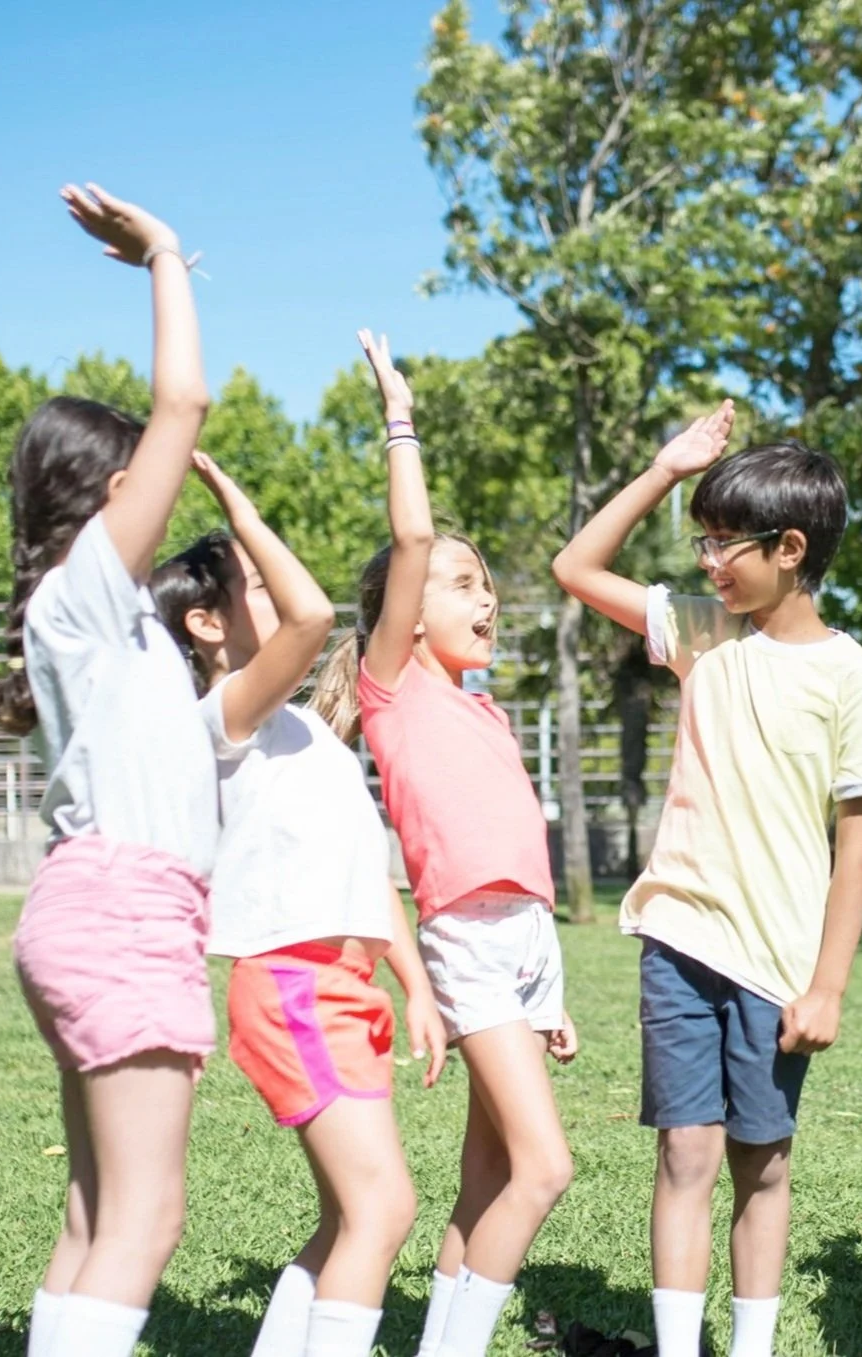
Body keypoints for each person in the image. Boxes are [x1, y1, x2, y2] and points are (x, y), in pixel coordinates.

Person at [552, 402, 862, 1357]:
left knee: (763, 1162)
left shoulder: (854, 677)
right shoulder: (700, 633)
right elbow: (575, 568)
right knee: (684, 1152)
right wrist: (665, 468)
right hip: (680, 939)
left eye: (721, 544)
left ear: (789, 547)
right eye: (697, 541)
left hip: (778, 966)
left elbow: (856, 844)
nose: (706, 562)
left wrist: (827, 983)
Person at [308, 332, 576, 1357]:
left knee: (488, 1175)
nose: (487, 596)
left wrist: (547, 991)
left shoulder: (482, 710)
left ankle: (438, 1339)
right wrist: (399, 416)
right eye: (463, 583)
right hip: (463, 937)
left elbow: (515, 863)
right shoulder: (396, 690)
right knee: (544, 1169)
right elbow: (409, 539)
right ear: (405, 615)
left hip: (520, 941)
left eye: (485, 583)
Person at [152, 449, 448, 1357]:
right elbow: (315, 614)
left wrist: (416, 985)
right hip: (291, 985)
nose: (276, 585)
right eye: (251, 579)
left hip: (340, 980)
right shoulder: (221, 718)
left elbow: (363, 871)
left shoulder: (304, 736)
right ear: (206, 623)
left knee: (344, 1219)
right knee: (383, 1207)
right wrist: (232, 502)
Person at [0, 184, 216, 1357]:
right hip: (125, 908)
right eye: (144, 474)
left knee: (93, 1213)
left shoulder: (96, 616)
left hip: (92, 904)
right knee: (146, 1214)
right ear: (104, 490)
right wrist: (164, 255)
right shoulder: (87, 586)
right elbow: (183, 395)